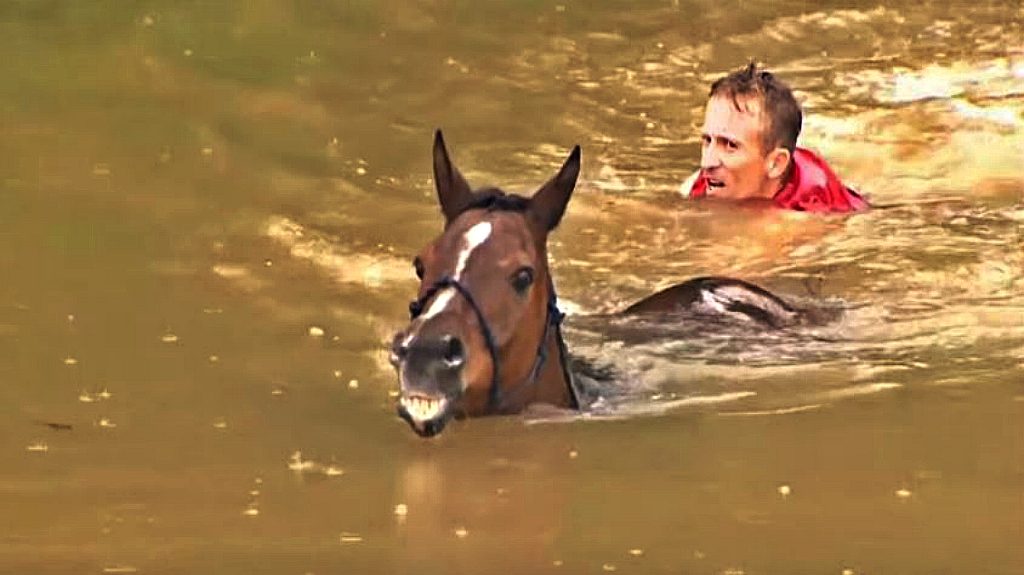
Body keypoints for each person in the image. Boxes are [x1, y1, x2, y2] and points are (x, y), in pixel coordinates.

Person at [680, 63, 868, 213]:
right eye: (707, 141)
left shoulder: (812, 213)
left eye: (729, 145)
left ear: (775, 163)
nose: (707, 162)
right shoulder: (702, 183)